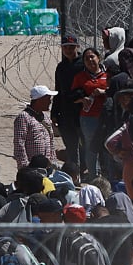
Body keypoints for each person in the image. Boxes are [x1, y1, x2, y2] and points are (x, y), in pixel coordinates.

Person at [71, 47, 108, 179]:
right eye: (86, 58)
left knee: (107, 145)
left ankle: (106, 175)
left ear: (99, 58)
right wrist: (82, 99)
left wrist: (104, 92)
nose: (90, 60)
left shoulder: (107, 75)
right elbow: (72, 96)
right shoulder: (80, 77)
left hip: (106, 116)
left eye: (92, 56)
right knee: (91, 146)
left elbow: (115, 92)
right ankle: (94, 176)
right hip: (88, 118)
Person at [51, 34, 85, 168]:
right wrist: (54, 112)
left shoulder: (84, 64)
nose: (69, 50)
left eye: (71, 47)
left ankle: (84, 169)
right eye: (66, 48)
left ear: (77, 47)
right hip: (65, 112)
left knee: (85, 144)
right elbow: (58, 90)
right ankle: (73, 170)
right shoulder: (61, 67)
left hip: (82, 111)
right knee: (70, 145)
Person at [14, 85, 56, 170]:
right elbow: (19, 144)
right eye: (48, 99)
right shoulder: (24, 117)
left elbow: (51, 141)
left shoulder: (45, 118)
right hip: (32, 167)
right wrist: (25, 167)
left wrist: (53, 161)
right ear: (39, 100)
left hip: (47, 167)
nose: (50, 102)